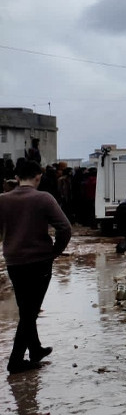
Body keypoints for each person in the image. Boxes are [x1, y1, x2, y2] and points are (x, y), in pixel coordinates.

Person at [0, 160, 71, 374]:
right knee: (30, 312)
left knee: (26, 307)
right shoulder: (43, 198)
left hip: (13, 261)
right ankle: (16, 361)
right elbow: (65, 228)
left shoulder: (2, 200)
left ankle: (35, 349)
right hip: (39, 261)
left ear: (17, 177)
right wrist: (54, 252)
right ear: (38, 177)